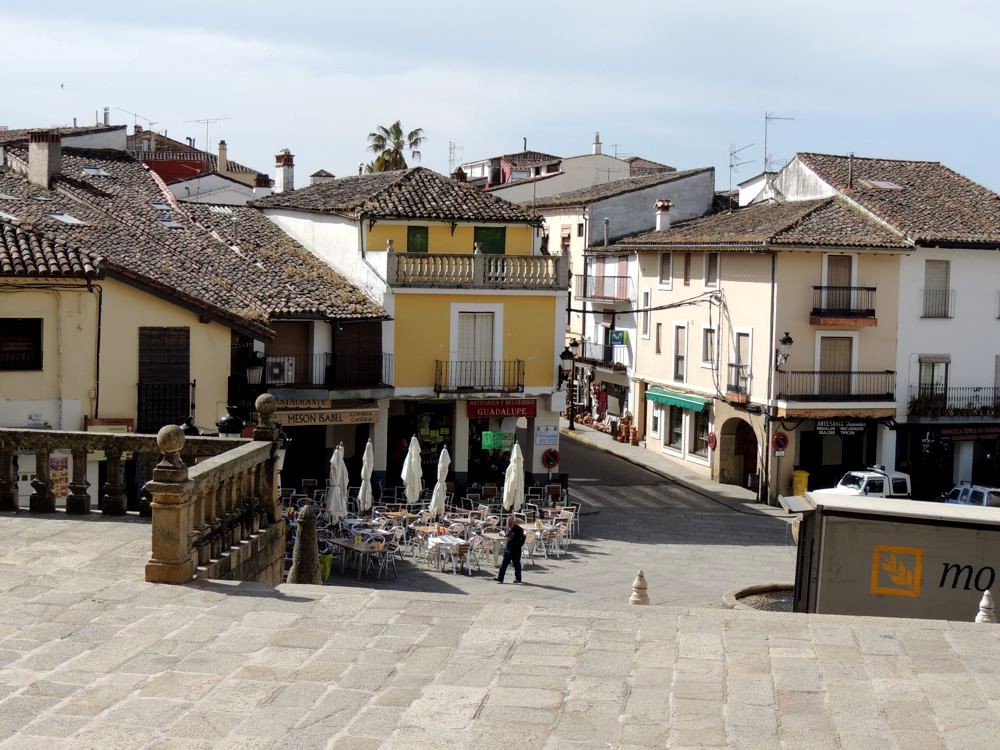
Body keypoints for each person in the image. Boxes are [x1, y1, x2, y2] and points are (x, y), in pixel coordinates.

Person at [496, 516, 525, 584]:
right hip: (508, 549)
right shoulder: (508, 528)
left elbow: (523, 539)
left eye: (510, 522)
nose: (509, 524)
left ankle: (518, 579)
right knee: (504, 564)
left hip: (516, 550)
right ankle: (500, 578)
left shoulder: (519, 530)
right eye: (508, 523)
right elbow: (508, 536)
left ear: (514, 522)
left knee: (517, 565)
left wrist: (519, 546)